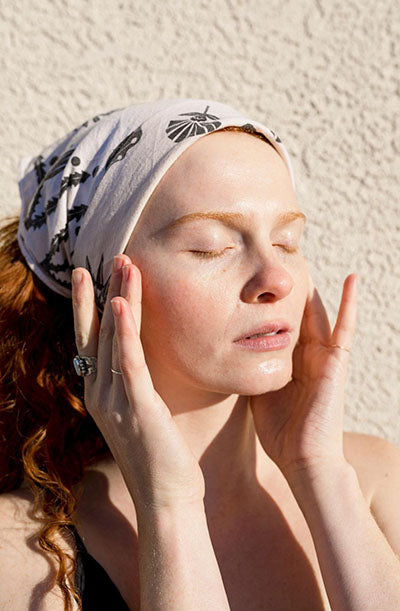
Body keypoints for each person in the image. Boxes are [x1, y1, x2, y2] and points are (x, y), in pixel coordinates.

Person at [0, 98, 399, 611]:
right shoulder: (26, 557)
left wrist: (316, 469)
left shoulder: (372, 480)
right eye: (211, 246)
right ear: (101, 290)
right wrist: (170, 506)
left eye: (287, 241)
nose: (275, 279)